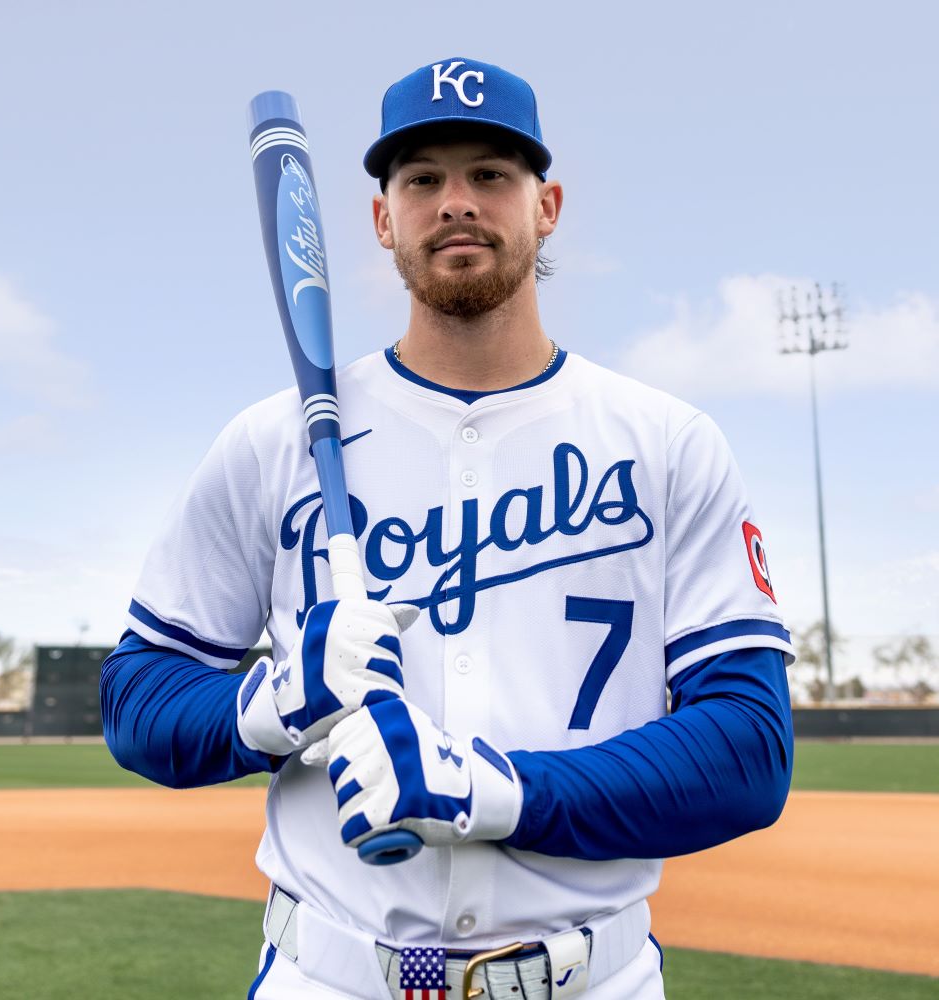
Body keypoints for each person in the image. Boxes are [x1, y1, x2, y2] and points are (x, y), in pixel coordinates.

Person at [101, 57, 795, 1000]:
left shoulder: (667, 443)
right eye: (423, 178)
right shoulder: (272, 442)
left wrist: (489, 790)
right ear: (383, 219)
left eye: (490, 174)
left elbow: (748, 748)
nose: (456, 201)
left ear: (547, 206)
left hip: (592, 978)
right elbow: (137, 696)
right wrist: (270, 707)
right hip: (328, 976)